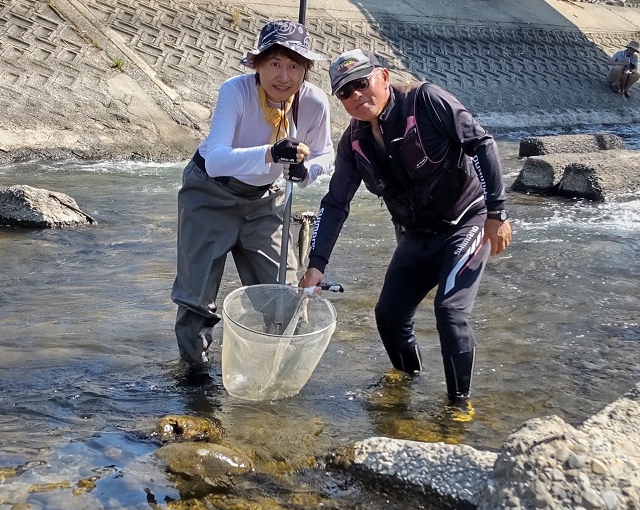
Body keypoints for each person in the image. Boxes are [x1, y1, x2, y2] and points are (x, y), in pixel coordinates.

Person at [299, 48, 511, 402]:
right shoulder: (353, 143)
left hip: (465, 222)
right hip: (414, 236)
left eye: (361, 83)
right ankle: (407, 385)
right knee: (388, 315)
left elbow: (482, 143)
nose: (356, 95)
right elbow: (335, 203)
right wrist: (315, 266)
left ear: (382, 76)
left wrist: (497, 213)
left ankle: (458, 406)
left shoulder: (426, 101)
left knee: (450, 311)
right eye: (345, 92)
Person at [172, 21, 334, 366]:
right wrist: (273, 152)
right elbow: (216, 159)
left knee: (286, 295)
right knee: (196, 299)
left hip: (265, 200)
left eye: (295, 66)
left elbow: (325, 153)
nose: (284, 77)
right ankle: (194, 376)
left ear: (306, 70)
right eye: (274, 63)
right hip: (210, 193)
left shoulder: (314, 102)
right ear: (256, 65)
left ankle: (275, 370)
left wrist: (307, 171)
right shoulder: (235, 91)